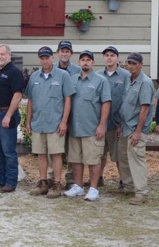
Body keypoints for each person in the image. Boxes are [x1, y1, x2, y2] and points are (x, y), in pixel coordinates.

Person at [26, 46, 75, 199]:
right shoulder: (34, 77)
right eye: (42, 58)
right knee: (41, 154)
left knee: (55, 154)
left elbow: (68, 99)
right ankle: (43, 182)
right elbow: (30, 100)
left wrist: (64, 122)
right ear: (39, 59)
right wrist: (28, 121)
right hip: (38, 122)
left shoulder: (62, 76)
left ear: (52, 58)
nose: (45, 60)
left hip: (55, 123)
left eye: (47, 57)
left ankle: (57, 183)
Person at [63, 51, 111, 201]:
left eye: (88, 60)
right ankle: (78, 186)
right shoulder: (72, 80)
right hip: (75, 128)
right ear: (79, 62)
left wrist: (102, 125)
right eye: (83, 60)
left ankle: (93, 188)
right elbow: (67, 101)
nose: (85, 62)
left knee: (93, 160)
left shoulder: (101, 81)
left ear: (93, 63)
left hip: (92, 128)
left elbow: (106, 103)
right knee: (75, 159)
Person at [118, 52, 154, 205]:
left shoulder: (145, 82)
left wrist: (138, 131)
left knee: (137, 159)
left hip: (136, 129)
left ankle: (141, 193)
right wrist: (120, 124)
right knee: (123, 158)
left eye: (134, 63)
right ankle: (129, 187)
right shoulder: (128, 79)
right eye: (129, 63)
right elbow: (125, 103)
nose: (130, 66)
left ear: (141, 65)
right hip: (126, 126)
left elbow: (144, 109)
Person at [0, 44, 23, 193]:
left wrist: (8, 115)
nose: (0, 57)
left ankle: (11, 181)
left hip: (6, 114)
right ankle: (0, 179)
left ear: (9, 55)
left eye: (2, 54)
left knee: (8, 150)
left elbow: (18, 95)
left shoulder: (14, 72)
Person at [96, 46, 130, 188]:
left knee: (119, 155)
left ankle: (124, 180)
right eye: (106, 55)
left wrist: (122, 123)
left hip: (117, 124)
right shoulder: (97, 75)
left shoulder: (126, 76)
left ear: (117, 58)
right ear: (103, 58)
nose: (109, 57)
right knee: (99, 154)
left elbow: (127, 99)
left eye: (112, 55)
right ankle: (97, 178)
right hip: (100, 123)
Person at [50, 40, 81, 187]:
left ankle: (70, 179)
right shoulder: (51, 69)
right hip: (55, 115)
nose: (64, 53)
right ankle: (52, 177)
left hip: (73, 116)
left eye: (67, 51)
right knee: (53, 148)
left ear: (71, 53)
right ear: (58, 53)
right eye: (62, 51)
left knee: (71, 150)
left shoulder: (77, 71)